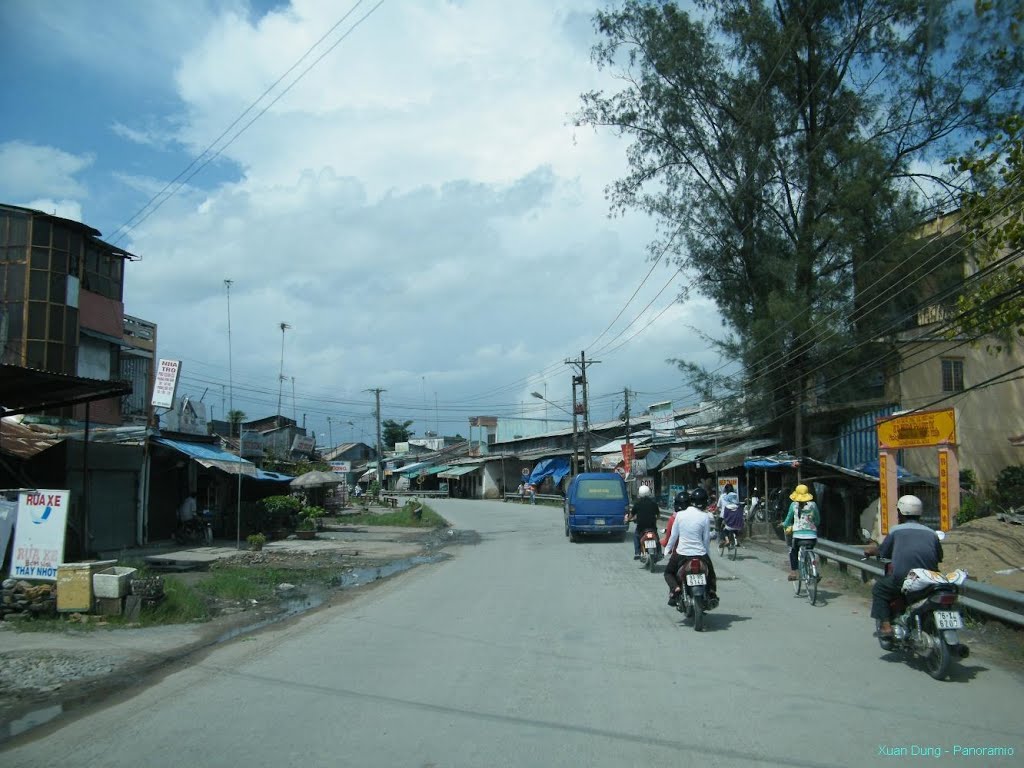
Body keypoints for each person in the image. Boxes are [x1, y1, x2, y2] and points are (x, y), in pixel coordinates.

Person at [863, 494, 942, 639]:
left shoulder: (896, 531)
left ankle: (886, 627)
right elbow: (939, 556)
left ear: (900, 513)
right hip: (930, 580)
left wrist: (872, 551)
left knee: (879, 589)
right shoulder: (932, 533)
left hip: (905, 578)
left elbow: (883, 551)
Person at [663, 487, 718, 606]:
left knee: (668, 572)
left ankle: (676, 588)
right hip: (700, 553)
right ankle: (712, 592)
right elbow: (706, 540)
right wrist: (707, 556)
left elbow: (673, 536)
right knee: (711, 574)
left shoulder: (680, 515)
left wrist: (667, 549)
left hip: (682, 553)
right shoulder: (705, 517)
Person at [781, 483, 819, 580]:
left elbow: (788, 520)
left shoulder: (793, 505)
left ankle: (793, 573)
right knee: (810, 550)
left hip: (798, 537)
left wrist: (784, 524)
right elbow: (818, 520)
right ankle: (814, 570)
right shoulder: (813, 505)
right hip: (812, 537)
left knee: (793, 551)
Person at [627, 485, 661, 561]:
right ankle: (659, 552)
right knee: (657, 538)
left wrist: (627, 520)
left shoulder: (637, 503)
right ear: (649, 492)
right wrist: (655, 518)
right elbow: (658, 515)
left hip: (641, 527)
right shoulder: (654, 503)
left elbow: (631, 515)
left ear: (640, 493)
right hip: (652, 527)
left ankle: (637, 552)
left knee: (636, 536)